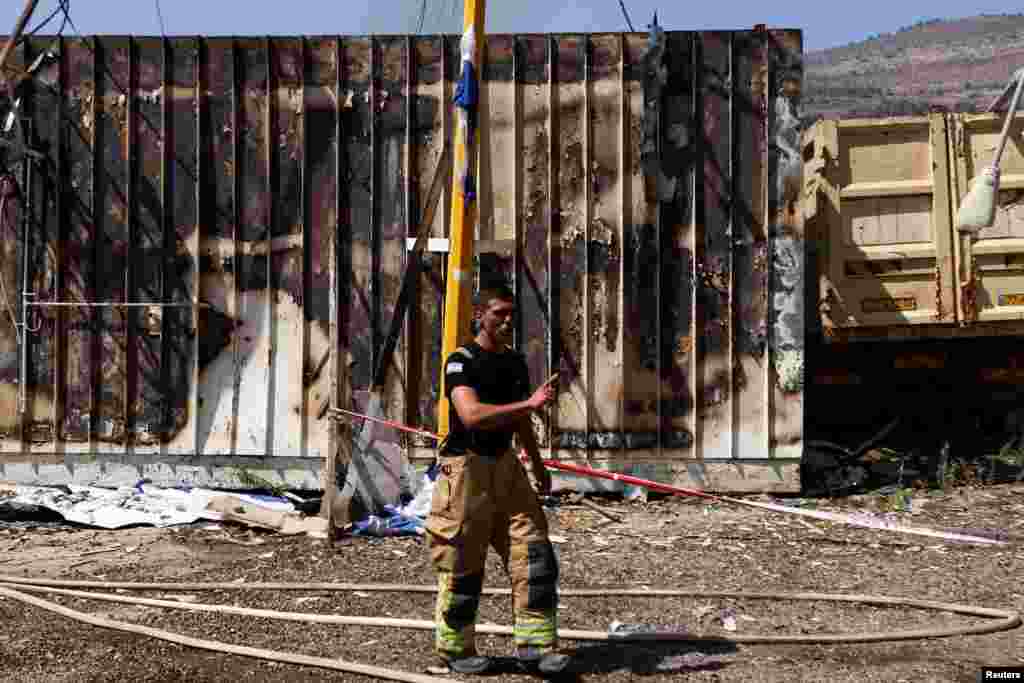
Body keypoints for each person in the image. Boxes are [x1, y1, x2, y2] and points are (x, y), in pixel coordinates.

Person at [425, 284, 569, 676]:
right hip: (466, 470)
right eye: (499, 313)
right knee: (462, 563)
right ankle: (455, 650)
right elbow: (470, 415)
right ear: (479, 315)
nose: (507, 321)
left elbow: (519, 419)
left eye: (511, 314)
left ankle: (536, 648)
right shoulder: (460, 362)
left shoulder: (515, 363)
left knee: (534, 555)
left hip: (506, 467)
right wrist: (530, 402)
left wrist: (537, 467)